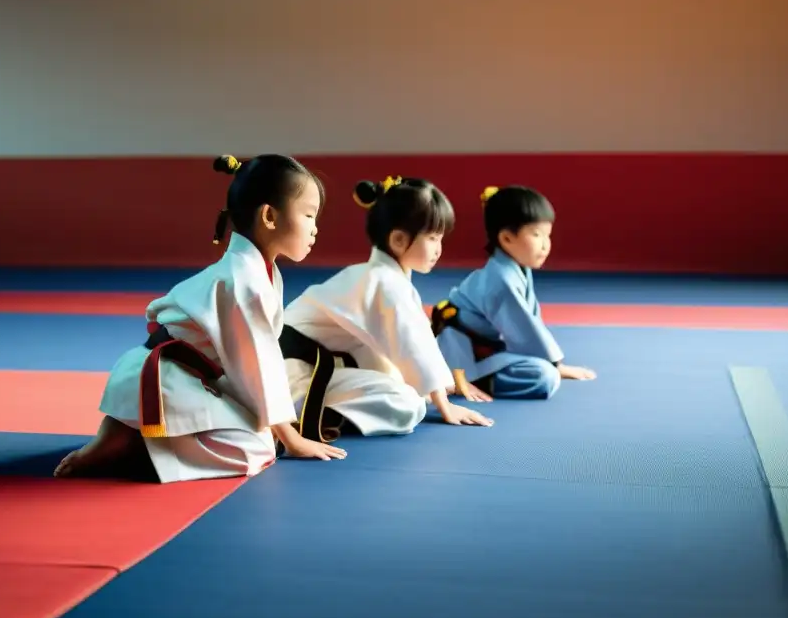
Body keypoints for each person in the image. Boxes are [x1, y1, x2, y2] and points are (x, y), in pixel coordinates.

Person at [55, 153, 347, 483]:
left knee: (264, 430)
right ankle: (130, 444)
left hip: (170, 379)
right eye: (309, 215)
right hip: (163, 381)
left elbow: (247, 364)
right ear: (269, 216)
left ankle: (130, 435)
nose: (315, 228)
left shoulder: (253, 272)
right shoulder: (243, 281)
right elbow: (257, 365)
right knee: (259, 447)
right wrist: (292, 438)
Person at [280, 175, 493, 445]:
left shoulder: (379, 276)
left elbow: (398, 346)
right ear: (399, 240)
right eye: (432, 237)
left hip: (303, 364)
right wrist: (444, 405)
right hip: (296, 377)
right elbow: (411, 345)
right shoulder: (386, 282)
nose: (439, 248)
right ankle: (317, 413)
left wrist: (439, 384)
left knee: (403, 382)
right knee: (409, 404)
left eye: (440, 238)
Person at [433, 185, 596, 400]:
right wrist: (555, 365)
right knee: (544, 376)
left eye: (548, 235)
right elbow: (524, 326)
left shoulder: (515, 269)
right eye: (536, 234)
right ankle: (475, 379)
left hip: (486, 345)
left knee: (544, 370)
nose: (546, 245)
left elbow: (529, 320)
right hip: (460, 350)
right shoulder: (501, 278)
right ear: (507, 238)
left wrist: (554, 362)